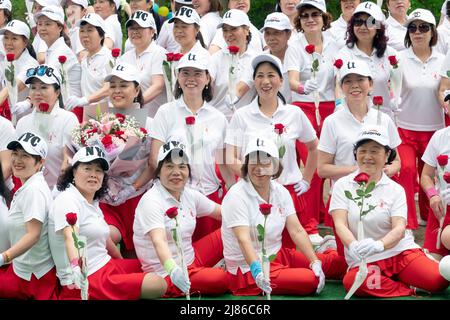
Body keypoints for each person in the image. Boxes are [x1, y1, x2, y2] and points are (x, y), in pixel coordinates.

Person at [330, 124, 449, 297]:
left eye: (375, 151)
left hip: (399, 252)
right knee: (354, 281)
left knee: (438, 281)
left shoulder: (395, 189)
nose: (368, 156)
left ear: (387, 155)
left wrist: (379, 245)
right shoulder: (343, 185)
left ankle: (399, 277)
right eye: (362, 150)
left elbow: (399, 229)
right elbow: (340, 224)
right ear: (355, 153)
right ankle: (408, 289)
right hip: (366, 259)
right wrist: (353, 245)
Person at [222, 137, 346, 296]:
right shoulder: (236, 195)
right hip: (249, 270)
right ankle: (323, 254)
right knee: (310, 280)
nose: (259, 168)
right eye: (254, 161)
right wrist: (257, 270)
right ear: (246, 165)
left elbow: (297, 230)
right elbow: (243, 238)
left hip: (278, 255)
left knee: (339, 265)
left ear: (275, 166)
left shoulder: (280, 191)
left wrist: (314, 261)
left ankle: (327, 252)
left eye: (265, 162)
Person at [225, 53, 322, 247]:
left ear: (280, 80)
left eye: (271, 75)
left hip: (289, 193)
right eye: (260, 76)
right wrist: (255, 175)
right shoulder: (241, 116)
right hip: (253, 194)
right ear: (253, 81)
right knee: (260, 250)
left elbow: (314, 147)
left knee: (293, 252)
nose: (265, 81)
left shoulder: (294, 113)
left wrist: (306, 179)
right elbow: (230, 157)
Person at [50, 146, 167, 299]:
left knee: (151, 266)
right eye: (87, 168)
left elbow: (106, 240)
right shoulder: (67, 200)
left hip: (106, 265)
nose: (93, 175)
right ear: (73, 172)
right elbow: (70, 237)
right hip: (88, 278)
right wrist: (75, 268)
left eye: (98, 171)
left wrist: (121, 266)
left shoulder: (92, 201)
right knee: (159, 284)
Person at [318, 60, 401, 254]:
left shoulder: (384, 119)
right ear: (341, 87)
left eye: (360, 79)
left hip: (381, 198)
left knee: (383, 254)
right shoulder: (332, 121)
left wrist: (389, 169)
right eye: (348, 81)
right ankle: (329, 249)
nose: (354, 85)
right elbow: (322, 169)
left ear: (370, 84)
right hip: (345, 199)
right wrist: (359, 171)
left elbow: (397, 161)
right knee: (348, 260)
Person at [148, 51, 230, 241]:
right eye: (185, 73)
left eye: (197, 73)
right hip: (176, 197)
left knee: (212, 259)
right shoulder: (165, 112)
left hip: (210, 198)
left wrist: (236, 191)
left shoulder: (219, 118)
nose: (191, 79)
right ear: (177, 76)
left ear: (207, 78)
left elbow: (224, 163)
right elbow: (154, 159)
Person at [134, 141, 228, 297]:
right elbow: (159, 241)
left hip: (190, 258)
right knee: (220, 279)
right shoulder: (151, 201)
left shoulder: (189, 194)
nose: (176, 172)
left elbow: (222, 213)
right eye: (169, 166)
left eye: (182, 166)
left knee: (232, 228)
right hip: (166, 272)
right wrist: (173, 269)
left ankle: (250, 267)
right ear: (158, 172)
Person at [285, 0, 339, 243]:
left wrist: (339, 104)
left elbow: (339, 78)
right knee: (312, 163)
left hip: (329, 106)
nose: (309, 19)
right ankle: (308, 225)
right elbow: (293, 80)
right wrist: (303, 87)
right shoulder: (295, 45)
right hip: (303, 107)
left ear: (323, 17)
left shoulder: (334, 43)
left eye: (314, 14)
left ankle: (326, 217)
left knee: (332, 161)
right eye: (304, 15)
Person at [96, 62, 152, 258]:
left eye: (123, 85)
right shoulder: (99, 122)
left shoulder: (150, 123)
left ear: (136, 89)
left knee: (138, 260)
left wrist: (133, 187)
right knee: (104, 239)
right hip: (106, 200)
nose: (117, 91)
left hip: (138, 198)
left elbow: (153, 165)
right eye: (112, 86)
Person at [396, 9, 446, 229]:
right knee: (406, 171)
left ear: (432, 31)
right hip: (405, 128)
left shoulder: (444, 60)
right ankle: (408, 223)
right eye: (412, 28)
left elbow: (445, 90)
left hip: (434, 129)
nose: (418, 32)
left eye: (423, 27)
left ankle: (429, 217)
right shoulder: (398, 58)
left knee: (430, 175)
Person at [0, 132, 59, 300]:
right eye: (15, 154)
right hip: (24, 269)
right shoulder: (31, 184)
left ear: (40, 162)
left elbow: (33, 235)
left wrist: (4, 257)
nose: (17, 160)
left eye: (25, 156)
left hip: (31, 277)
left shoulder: (33, 190)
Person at [15, 65, 79, 191]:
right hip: (29, 192)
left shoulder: (68, 119)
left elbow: (70, 160)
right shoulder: (23, 122)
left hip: (59, 192)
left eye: (44, 87)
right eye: (33, 88)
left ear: (57, 92)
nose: (37, 93)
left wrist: (58, 192)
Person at [338, 2, 399, 119]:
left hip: (385, 117)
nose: (363, 27)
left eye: (370, 22)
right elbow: (339, 86)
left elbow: (397, 83)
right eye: (358, 22)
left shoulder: (390, 53)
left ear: (378, 26)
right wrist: (339, 107)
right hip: (355, 117)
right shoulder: (344, 54)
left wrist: (396, 98)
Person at [208, 9, 257, 120]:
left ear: (247, 30)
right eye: (225, 30)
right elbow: (206, 83)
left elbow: (241, 88)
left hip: (244, 122)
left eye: (234, 29)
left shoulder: (256, 59)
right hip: (215, 120)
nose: (228, 34)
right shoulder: (216, 58)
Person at [118, 10, 166, 117]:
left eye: (140, 27)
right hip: (131, 118)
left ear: (152, 31)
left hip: (155, 118)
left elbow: (158, 86)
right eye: (131, 28)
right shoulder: (124, 57)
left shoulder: (159, 53)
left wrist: (135, 104)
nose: (135, 31)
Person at [64, 13, 112, 122]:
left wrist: (85, 100)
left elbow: (109, 87)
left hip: (107, 116)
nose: (85, 35)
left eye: (90, 30)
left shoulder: (108, 58)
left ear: (101, 35)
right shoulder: (84, 60)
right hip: (89, 116)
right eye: (82, 31)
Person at [420, 125, 450, 260]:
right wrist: (433, 195)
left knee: (447, 237)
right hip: (441, 210)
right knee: (432, 271)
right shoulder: (439, 136)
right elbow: (426, 175)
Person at [0, 20, 38, 122]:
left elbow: (12, 88)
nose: (8, 43)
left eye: (14, 39)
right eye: (6, 37)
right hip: (9, 120)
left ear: (25, 42)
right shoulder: (5, 60)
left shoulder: (31, 64)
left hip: (27, 122)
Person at [261, 12, 293, 103]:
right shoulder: (259, 59)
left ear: (288, 34)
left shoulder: (298, 55)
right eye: (267, 33)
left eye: (276, 33)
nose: (271, 38)